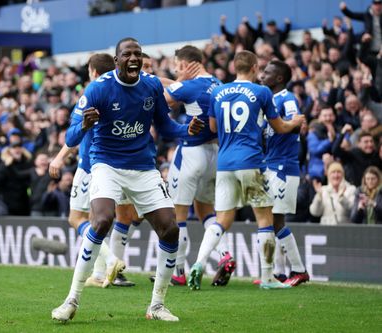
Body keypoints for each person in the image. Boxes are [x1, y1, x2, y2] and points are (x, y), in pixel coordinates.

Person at [52, 37, 204, 323]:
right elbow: (71, 136)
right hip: (106, 164)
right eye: (127, 54)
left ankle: (157, 305)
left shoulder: (151, 86)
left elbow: (165, 126)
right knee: (101, 220)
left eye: (138, 54)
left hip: (143, 167)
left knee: (170, 230)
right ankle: (71, 300)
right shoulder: (98, 88)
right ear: (117, 59)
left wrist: (187, 131)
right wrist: (84, 124)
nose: (133, 58)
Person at [188, 50, 305, 291]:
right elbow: (280, 126)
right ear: (253, 67)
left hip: (225, 162)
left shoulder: (219, 92)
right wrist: (295, 122)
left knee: (221, 219)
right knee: (265, 219)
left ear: (233, 66)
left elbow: (212, 126)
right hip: (251, 161)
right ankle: (268, 277)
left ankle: (199, 263)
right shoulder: (261, 92)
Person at [48, 53, 125, 288]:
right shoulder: (122, 92)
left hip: (91, 165)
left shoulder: (92, 93)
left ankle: (111, 259)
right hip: (119, 166)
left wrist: (59, 159)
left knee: (77, 218)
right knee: (98, 219)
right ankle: (100, 273)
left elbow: (74, 135)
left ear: (92, 71)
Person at [163, 45, 234, 286]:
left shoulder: (187, 85)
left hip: (191, 152)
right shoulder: (217, 83)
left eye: (177, 66)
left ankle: (179, 271)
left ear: (184, 65)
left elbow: (161, 99)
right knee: (206, 211)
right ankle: (224, 255)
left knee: (178, 215)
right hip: (215, 153)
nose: (175, 70)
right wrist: (174, 79)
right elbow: (177, 86)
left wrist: (177, 80)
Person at [259, 60, 310, 286]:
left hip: (283, 167)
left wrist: (290, 123)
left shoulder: (286, 98)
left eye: (267, 72)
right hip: (273, 163)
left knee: (276, 220)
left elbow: (297, 123)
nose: (262, 75)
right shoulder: (271, 100)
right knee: (270, 219)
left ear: (279, 78)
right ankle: (279, 273)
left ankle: (299, 270)